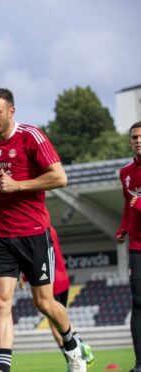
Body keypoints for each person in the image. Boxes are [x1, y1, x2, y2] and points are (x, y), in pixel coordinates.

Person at [0, 88, 86, 372]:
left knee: (45, 303)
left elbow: (60, 177)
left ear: (11, 110)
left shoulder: (31, 136)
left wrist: (18, 185)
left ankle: (73, 347)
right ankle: (3, 367)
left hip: (33, 232)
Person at [19, 227, 94, 367]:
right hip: (63, 279)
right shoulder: (50, 229)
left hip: (50, 282)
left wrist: (24, 276)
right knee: (61, 320)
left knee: (55, 327)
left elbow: (38, 257)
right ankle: (79, 347)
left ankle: (76, 355)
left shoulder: (37, 231)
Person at [115, 121, 141, 372]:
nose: (138, 140)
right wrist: (123, 227)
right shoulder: (126, 173)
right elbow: (127, 204)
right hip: (137, 246)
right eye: (134, 137)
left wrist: (139, 204)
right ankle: (140, 364)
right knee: (138, 303)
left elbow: (136, 203)